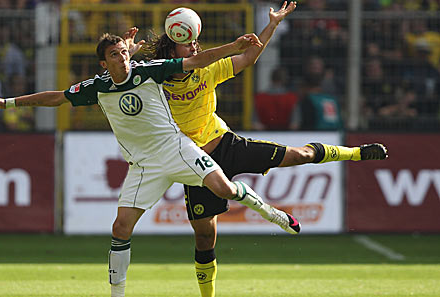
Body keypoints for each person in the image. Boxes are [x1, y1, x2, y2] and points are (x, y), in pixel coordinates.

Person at [0, 31, 301, 297]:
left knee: (225, 189)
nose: (124, 58)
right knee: (120, 228)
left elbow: (196, 60)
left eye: (125, 52)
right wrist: (6, 102)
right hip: (144, 166)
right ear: (104, 63)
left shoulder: (150, 70)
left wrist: (233, 46)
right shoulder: (97, 88)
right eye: (116, 55)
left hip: (178, 149)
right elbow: (56, 97)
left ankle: (271, 213)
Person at [132, 2, 388, 297]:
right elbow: (123, 78)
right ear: (171, 49)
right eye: (186, 44)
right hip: (195, 162)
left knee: (299, 155)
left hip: (226, 144)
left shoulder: (208, 71)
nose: (193, 48)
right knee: (205, 237)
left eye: (195, 43)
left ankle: (356, 152)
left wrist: (273, 24)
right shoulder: (154, 81)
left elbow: (249, 56)